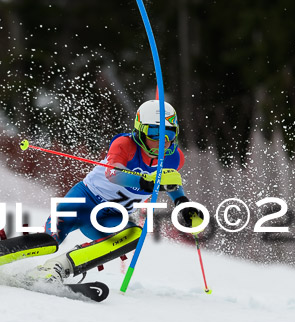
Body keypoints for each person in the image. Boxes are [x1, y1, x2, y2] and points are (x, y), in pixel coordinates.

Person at [30, 99, 204, 283]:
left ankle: (60, 267)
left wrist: (183, 204)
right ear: (140, 131)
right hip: (83, 201)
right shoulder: (125, 144)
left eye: (169, 135)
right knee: (49, 241)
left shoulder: (174, 158)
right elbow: (113, 173)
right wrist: (145, 182)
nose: (163, 143)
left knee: (133, 235)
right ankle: (2, 253)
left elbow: (172, 182)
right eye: (155, 134)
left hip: (110, 217)